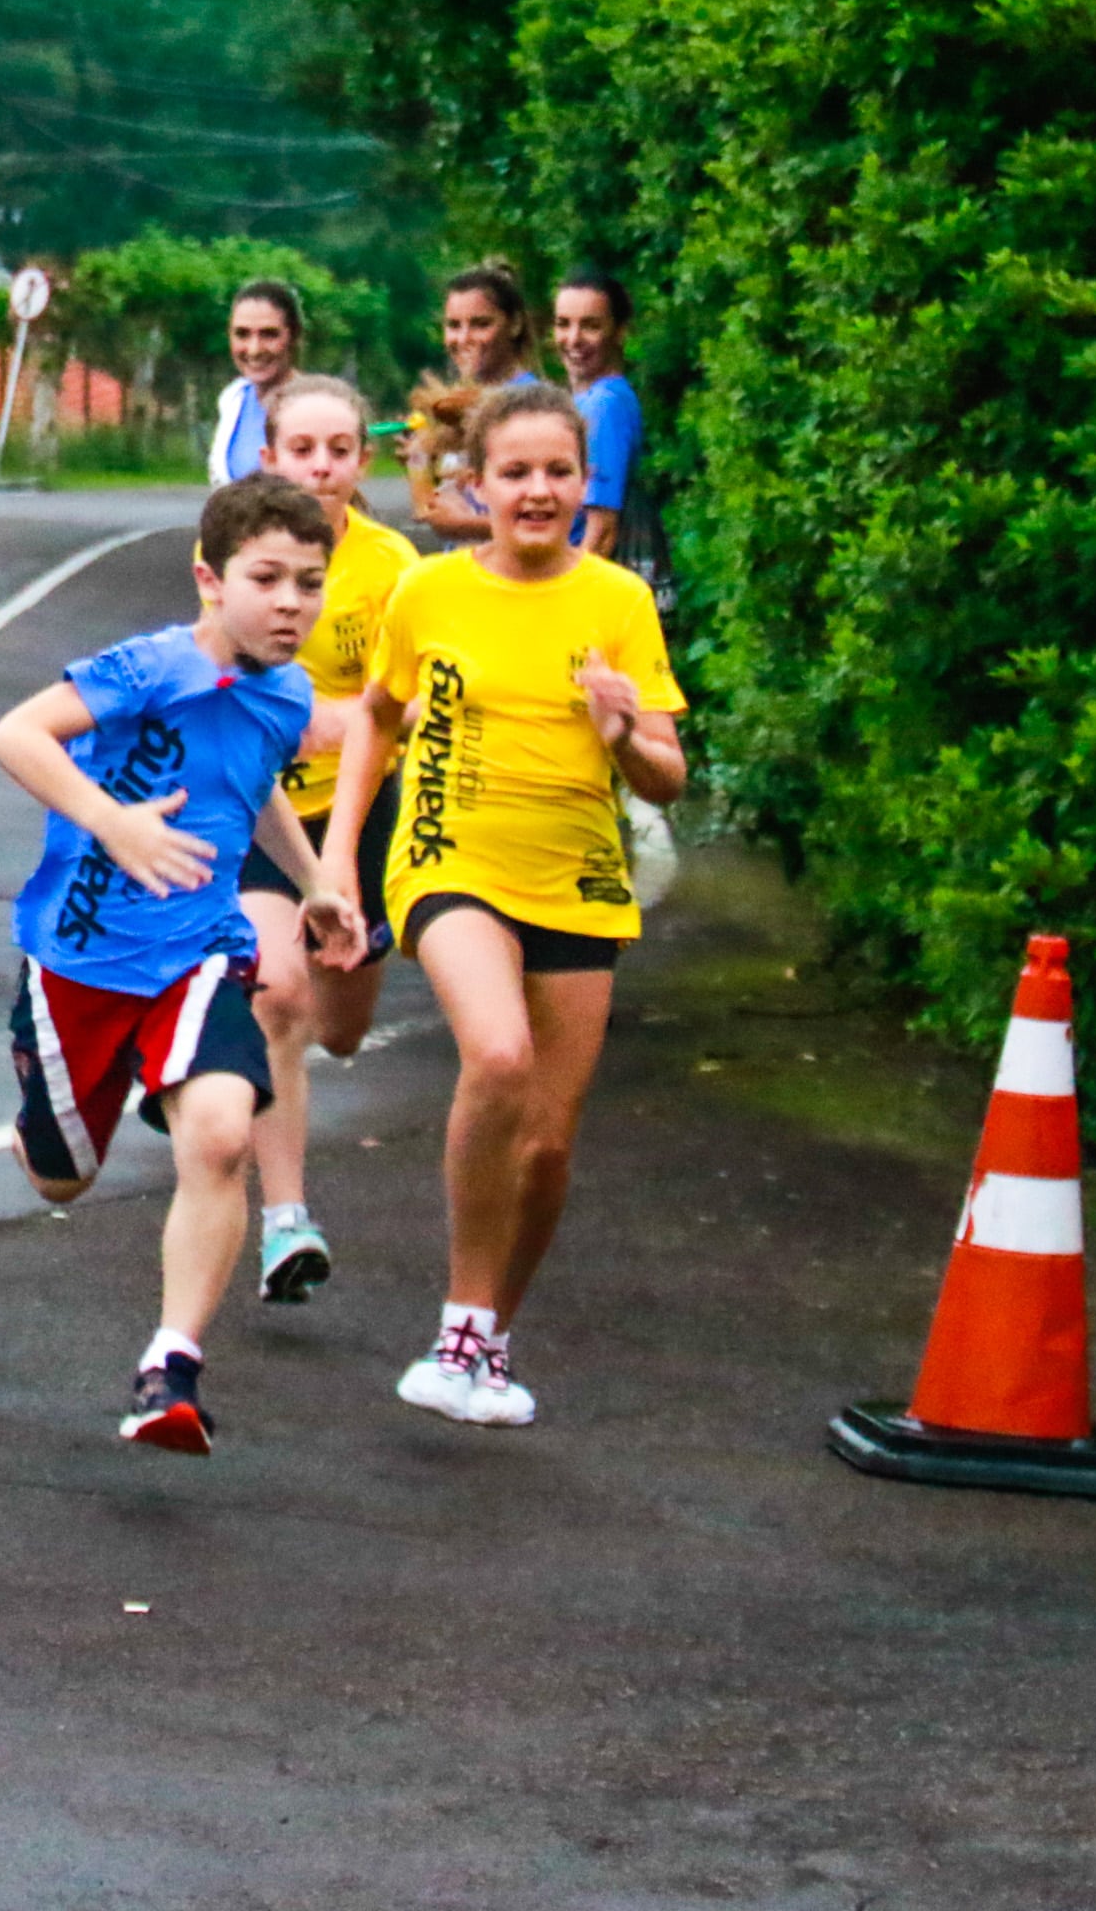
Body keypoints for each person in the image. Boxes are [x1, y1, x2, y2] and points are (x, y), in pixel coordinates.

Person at [319, 379, 685, 1428]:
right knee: (501, 1056)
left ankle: (487, 1339)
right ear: (473, 485)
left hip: (577, 877)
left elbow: (668, 775)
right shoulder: (428, 592)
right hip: (448, 859)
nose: (537, 491)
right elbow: (375, 725)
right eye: (514, 473)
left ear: (583, 483)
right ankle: (459, 1327)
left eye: (558, 473)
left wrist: (623, 735)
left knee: (550, 1144)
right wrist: (341, 860)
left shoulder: (618, 602)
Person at [0, 475, 358, 1454]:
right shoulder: (149, 667)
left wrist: (316, 880)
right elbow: (14, 734)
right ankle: (39, 1111)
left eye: (311, 584)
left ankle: (172, 1369)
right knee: (61, 1178)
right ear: (210, 578)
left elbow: (255, 784)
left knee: (225, 1134)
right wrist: (110, 822)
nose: (291, 603)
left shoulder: (288, 693)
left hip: (199, 952)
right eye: (268, 579)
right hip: (78, 955)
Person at [236, 374, 422, 1304]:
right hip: (258, 807)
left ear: (363, 459)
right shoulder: (231, 544)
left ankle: (280, 1048)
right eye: (300, 449)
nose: (319, 467)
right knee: (278, 995)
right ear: (269, 457)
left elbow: (404, 710)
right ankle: (285, 1220)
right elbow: (215, 673)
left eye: (337, 450)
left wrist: (344, 721)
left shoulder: (395, 570)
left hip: (359, 814)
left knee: (340, 1027)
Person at [404, 263, 538, 546]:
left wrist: (462, 526)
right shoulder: (456, 405)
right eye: (453, 326)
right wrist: (418, 457)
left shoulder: (532, 404)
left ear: (514, 324)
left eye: (480, 324)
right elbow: (427, 509)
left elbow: (550, 520)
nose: (463, 339)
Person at [551, 270, 642, 562]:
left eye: (590, 326)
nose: (573, 339)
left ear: (619, 332)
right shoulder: (587, 402)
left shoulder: (603, 406)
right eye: (563, 324)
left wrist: (569, 598)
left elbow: (601, 531)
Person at [203, 279, 302, 486]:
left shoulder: (316, 405)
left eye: (269, 334)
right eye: (242, 334)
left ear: (294, 336)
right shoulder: (233, 399)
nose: (254, 349)